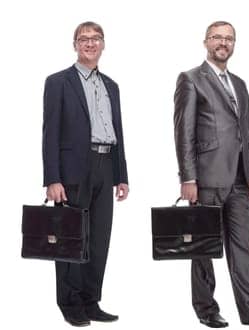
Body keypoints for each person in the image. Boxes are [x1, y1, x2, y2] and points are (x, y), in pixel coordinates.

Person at [171, 20, 249, 328]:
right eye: (217, 38)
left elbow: (248, 130)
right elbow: (183, 132)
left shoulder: (239, 83)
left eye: (229, 39)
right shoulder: (190, 79)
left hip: (239, 178)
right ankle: (207, 308)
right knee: (204, 248)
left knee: (243, 246)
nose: (223, 43)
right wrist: (188, 178)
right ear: (206, 42)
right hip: (206, 178)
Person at [42, 21, 131, 328]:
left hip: (106, 166)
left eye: (96, 39)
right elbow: (50, 132)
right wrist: (52, 178)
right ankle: (69, 303)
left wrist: (122, 175)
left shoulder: (112, 86)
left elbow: (118, 132)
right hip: (72, 170)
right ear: (75, 45)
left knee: (99, 239)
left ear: (103, 44)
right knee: (70, 237)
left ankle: (91, 301)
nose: (90, 43)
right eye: (84, 39)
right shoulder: (58, 82)